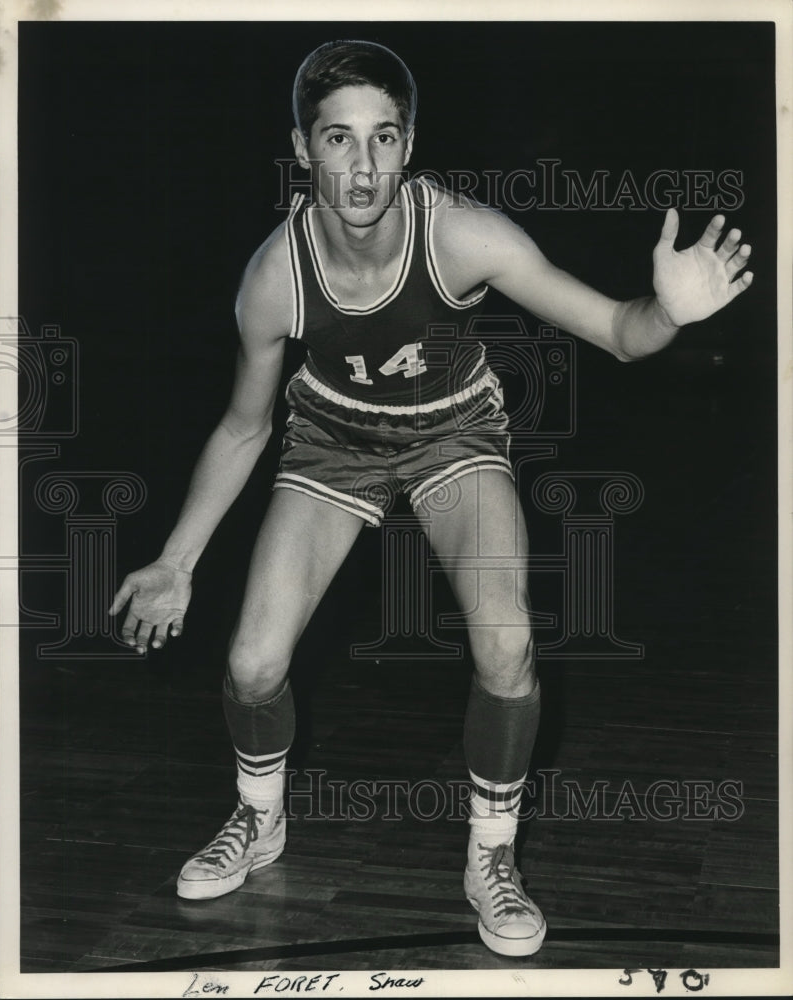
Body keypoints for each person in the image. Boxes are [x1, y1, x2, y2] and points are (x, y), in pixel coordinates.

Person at [108, 39, 753, 958]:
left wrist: (668, 314)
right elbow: (244, 427)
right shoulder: (272, 278)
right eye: (338, 139)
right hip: (332, 443)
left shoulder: (465, 235)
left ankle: (490, 859)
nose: (362, 166)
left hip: (455, 434)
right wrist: (177, 560)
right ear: (302, 149)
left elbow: (616, 331)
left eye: (383, 138)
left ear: (410, 145)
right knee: (252, 663)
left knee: (508, 643)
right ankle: (260, 818)